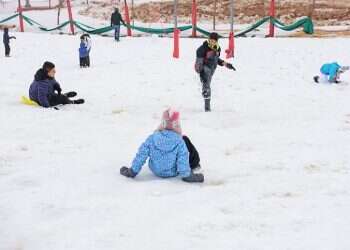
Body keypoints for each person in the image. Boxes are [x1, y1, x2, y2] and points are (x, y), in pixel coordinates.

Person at [120, 108, 204, 183]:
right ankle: (195, 164)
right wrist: (186, 175)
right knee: (185, 142)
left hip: (155, 170)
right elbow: (182, 159)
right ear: (177, 125)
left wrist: (132, 171)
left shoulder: (152, 138)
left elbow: (141, 154)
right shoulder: (180, 142)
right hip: (173, 172)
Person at [195, 32, 236, 112]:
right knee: (206, 87)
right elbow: (198, 63)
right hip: (204, 68)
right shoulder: (202, 49)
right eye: (211, 40)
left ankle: (207, 103)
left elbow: (216, 59)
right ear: (209, 39)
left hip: (211, 70)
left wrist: (226, 64)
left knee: (207, 85)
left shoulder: (217, 48)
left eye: (214, 41)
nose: (212, 42)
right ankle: (207, 109)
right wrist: (201, 72)